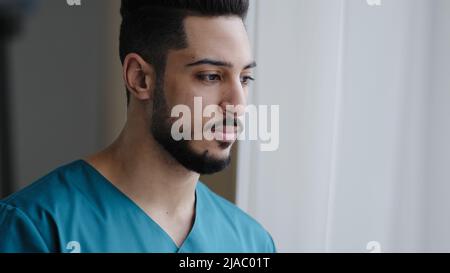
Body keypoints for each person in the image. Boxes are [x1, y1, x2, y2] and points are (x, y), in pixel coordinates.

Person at [0, 0, 276, 253]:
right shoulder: (37, 227)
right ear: (141, 78)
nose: (237, 104)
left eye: (245, 78)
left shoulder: (251, 243)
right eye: (210, 76)